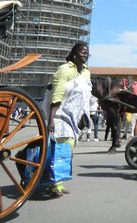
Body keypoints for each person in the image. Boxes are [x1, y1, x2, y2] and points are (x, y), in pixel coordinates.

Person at [47, 43, 92, 197]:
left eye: (87, 52)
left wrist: (84, 117)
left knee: (69, 149)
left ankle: (56, 180)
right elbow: (57, 93)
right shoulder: (65, 69)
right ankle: (55, 184)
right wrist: (51, 120)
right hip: (59, 114)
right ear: (74, 53)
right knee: (62, 149)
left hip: (74, 116)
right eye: (82, 51)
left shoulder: (86, 72)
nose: (85, 54)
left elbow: (85, 98)